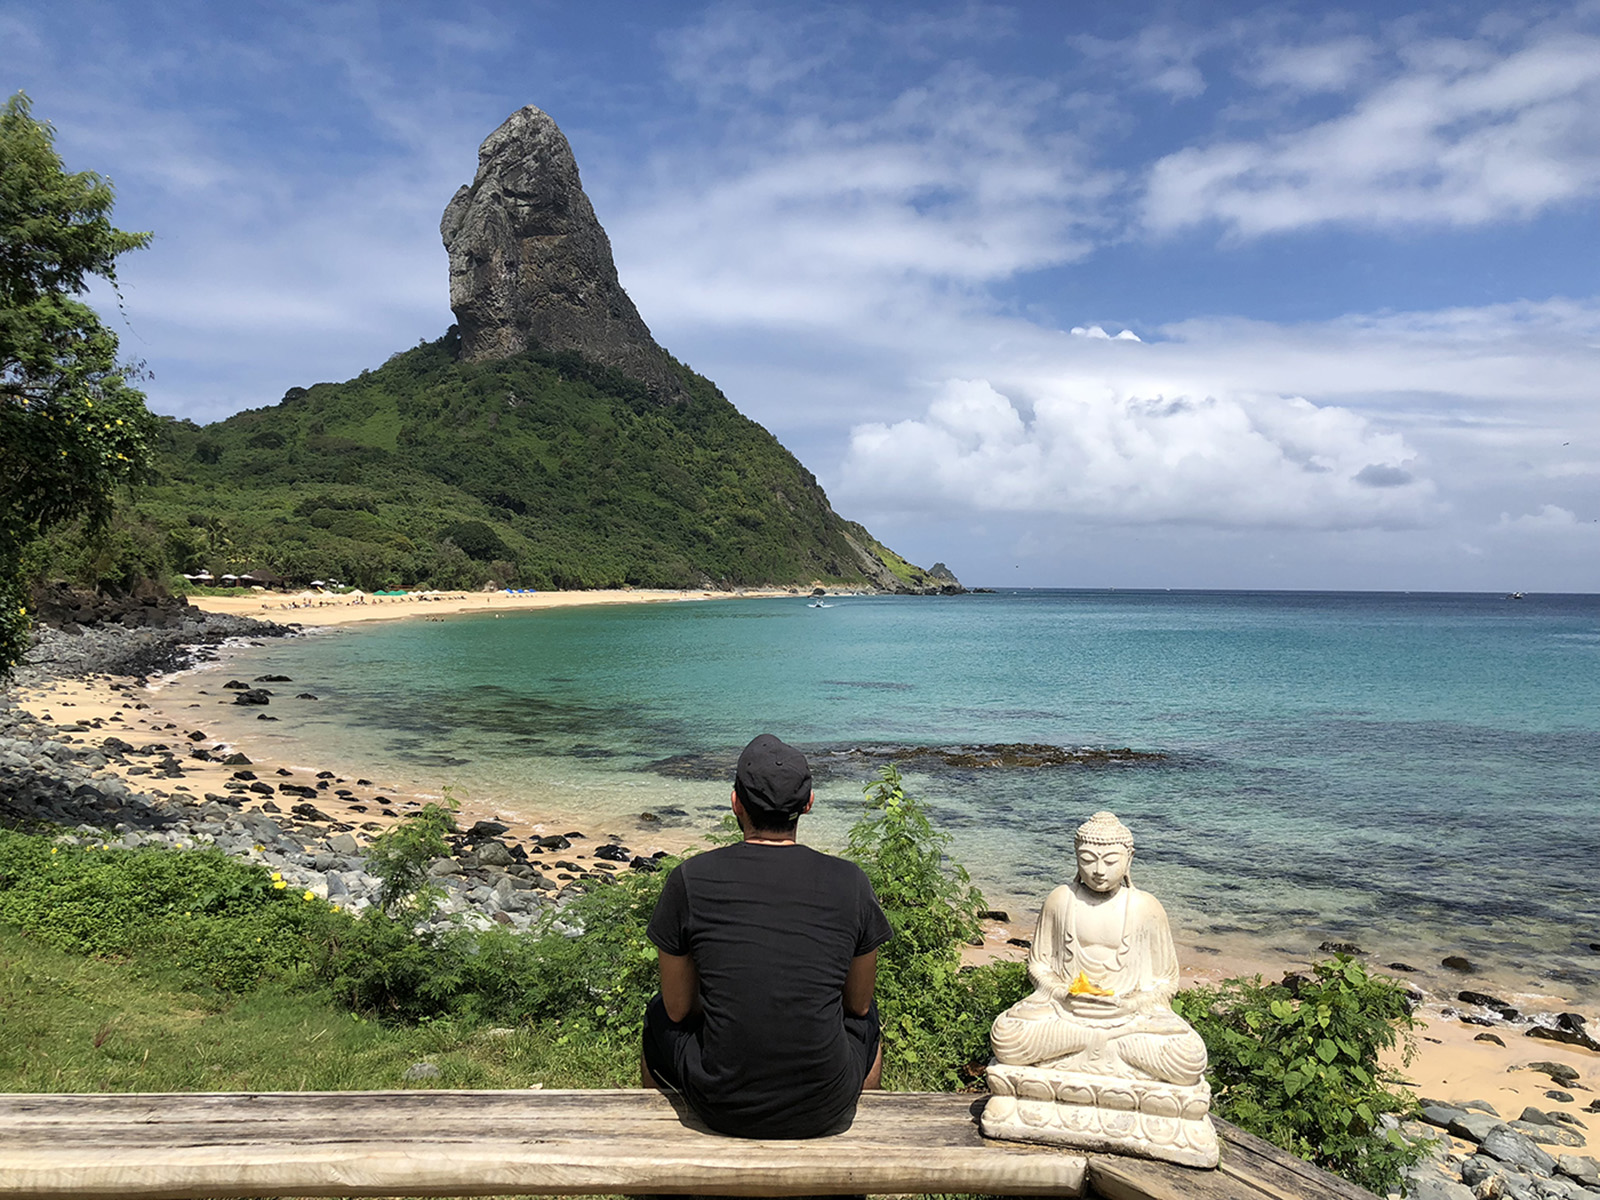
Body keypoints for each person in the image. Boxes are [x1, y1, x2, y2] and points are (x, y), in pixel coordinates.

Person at [641, 733, 892, 1138]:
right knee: (869, 1019)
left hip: (721, 1105)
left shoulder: (690, 878)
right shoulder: (851, 882)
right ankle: (857, 1150)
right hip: (824, 1105)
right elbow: (858, 1004)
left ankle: (661, 1154)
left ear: (735, 802)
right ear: (808, 804)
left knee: (657, 1017)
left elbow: (676, 1009)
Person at [988, 810, 1206, 1085]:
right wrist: (1062, 993)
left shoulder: (1146, 907)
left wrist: (1129, 1004)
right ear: (1076, 858)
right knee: (1007, 1035)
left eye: (1111, 861)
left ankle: (1078, 1058)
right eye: (1088, 860)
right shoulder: (1061, 900)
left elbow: (1166, 981)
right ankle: (1110, 1060)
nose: (1099, 871)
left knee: (1187, 1056)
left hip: (1129, 1019)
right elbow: (1039, 966)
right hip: (1066, 1012)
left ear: (1129, 860)